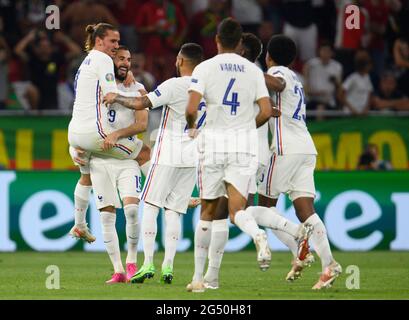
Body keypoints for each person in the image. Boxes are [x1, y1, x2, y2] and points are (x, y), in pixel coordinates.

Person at [206, 33, 314, 289]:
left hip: (239, 151)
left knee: (233, 212)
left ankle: (210, 276)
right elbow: (267, 107)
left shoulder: (248, 74)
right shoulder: (251, 75)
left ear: (241, 52)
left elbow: (274, 91)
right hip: (258, 153)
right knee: (246, 210)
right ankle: (298, 243)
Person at [103, 43, 205, 285]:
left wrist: (116, 96)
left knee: (150, 205)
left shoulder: (174, 84)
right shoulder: (208, 87)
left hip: (169, 152)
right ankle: (168, 266)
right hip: (193, 155)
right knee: (174, 212)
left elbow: (141, 103)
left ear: (180, 60)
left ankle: (148, 262)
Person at [183, 18, 273, 292]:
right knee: (235, 210)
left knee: (209, 211)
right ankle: (256, 236)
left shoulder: (205, 67)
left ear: (217, 40)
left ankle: (198, 279)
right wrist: (246, 127)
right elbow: (267, 111)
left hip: (214, 143)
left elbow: (191, 108)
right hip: (244, 145)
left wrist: (191, 128)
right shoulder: (254, 71)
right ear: (240, 43)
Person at [256, 35, 341, 290]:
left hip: (285, 149)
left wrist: (250, 72)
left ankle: (299, 248)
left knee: (264, 209)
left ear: (268, 56)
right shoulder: (298, 78)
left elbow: (277, 84)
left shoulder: (278, 71)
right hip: (305, 147)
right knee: (306, 211)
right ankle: (330, 265)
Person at [69, 46, 149, 284]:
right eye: (121, 58)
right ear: (110, 62)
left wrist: (116, 135)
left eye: (129, 59)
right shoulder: (96, 89)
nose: (125, 63)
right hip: (100, 160)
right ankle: (118, 270)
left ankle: (133, 262)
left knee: (133, 210)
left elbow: (142, 124)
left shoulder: (138, 89)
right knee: (106, 218)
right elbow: (81, 120)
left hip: (125, 160)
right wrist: (74, 147)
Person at [303, 42, 343, 120]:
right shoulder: (310, 64)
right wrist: (312, 92)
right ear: (319, 52)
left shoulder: (337, 66)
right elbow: (305, 84)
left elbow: (339, 87)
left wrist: (336, 83)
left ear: (332, 53)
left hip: (329, 101)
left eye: (328, 51)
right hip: (312, 99)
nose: (325, 54)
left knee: (321, 108)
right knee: (319, 108)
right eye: (323, 51)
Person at [339, 50, 374, 115]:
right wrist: (351, 109)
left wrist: (366, 108)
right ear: (364, 65)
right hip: (350, 114)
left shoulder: (367, 77)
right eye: (369, 64)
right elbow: (340, 95)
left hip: (362, 114)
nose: (371, 67)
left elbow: (370, 93)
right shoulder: (352, 78)